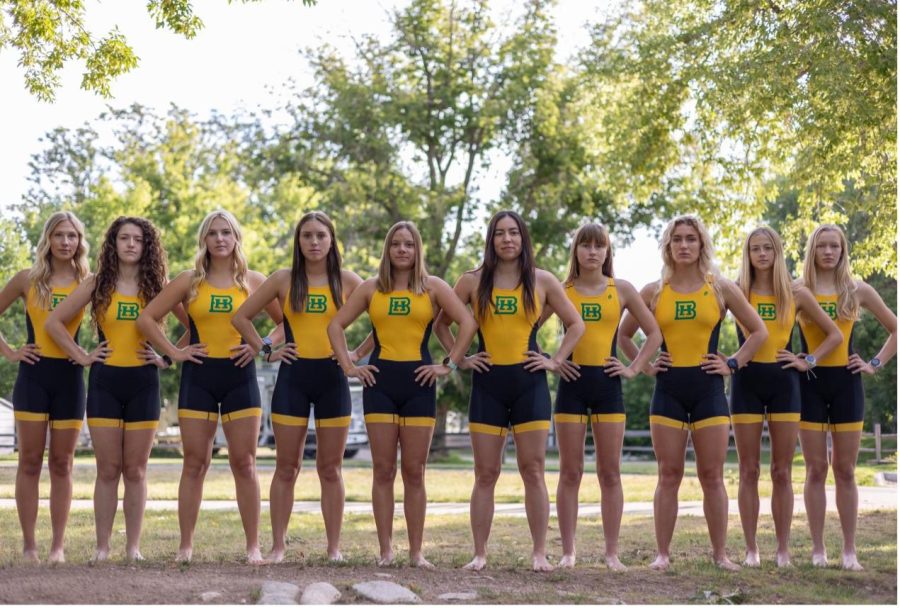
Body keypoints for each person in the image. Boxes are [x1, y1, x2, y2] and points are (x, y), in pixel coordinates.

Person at [433, 210, 585, 572]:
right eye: (500, 233)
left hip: (529, 383)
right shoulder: (471, 281)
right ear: (491, 240)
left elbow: (576, 324)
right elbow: (441, 324)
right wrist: (462, 359)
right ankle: (480, 554)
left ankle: (539, 553)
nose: (507, 239)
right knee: (485, 472)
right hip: (487, 385)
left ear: (523, 239)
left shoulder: (543, 280)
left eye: (513, 233)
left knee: (532, 469)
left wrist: (554, 360)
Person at [618, 214, 767, 571]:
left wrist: (732, 363)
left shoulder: (720, 287)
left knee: (712, 475)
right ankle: (662, 555)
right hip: (668, 389)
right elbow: (623, 335)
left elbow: (759, 332)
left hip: (709, 390)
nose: (684, 245)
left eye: (691, 239)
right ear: (668, 246)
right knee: (668, 474)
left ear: (701, 245)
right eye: (677, 239)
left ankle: (720, 555)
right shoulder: (654, 290)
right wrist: (647, 365)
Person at [328, 220, 477, 568]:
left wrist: (451, 364)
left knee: (414, 470)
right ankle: (385, 552)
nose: (402, 250)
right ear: (387, 248)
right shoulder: (370, 289)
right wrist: (350, 366)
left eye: (409, 244)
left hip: (420, 384)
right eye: (396, 244)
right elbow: (334, 326)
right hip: (379, 384)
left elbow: (468, 324)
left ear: (417, 249)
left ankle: (416, 552)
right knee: (383, 469)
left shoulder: (434, 287)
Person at [136, 209, 282, 564]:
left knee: (244, 463)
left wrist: (258, 345)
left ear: (236, 238)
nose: (220, 239)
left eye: (226, 232)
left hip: (239, 377)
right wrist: (174, 352)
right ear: (204, 239)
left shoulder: (254, 281)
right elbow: (146, 319)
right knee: (194, 463)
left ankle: (253, 547)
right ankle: (185, 546)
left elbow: (285, 323)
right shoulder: (189, 281)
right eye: (213, 233)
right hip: (198, 377)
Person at [232, 211, 364, 563]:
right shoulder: (283, 279)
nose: (315, 242)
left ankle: (334, 549)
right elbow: (241, 317)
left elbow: (382, 319)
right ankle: (277, 547)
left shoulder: (348, 281)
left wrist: (354, 356)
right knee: (286, 467)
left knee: (331, 468)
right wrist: (266, 348)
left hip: (332, 380)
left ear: (331, 240)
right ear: (298, 241)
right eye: (307, 235)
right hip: (293, 379)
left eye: (321, 235)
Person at [46, 216, 178, 562]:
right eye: (124, 238)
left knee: (135, 470)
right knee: (108, 469)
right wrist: (82, 355)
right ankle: (102, 547)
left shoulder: (159, 284)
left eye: (137, 239)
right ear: (113, 244)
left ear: (146, 245)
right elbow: (53, 322)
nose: (131, 244)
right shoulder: (96, 283)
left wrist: (168, 357)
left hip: (144, 384)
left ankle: (133, 548)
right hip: (105, 382)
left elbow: (196, 323)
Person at [540, 223, 662, 571]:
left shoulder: (621, 289)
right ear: (575, 251)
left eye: (600, 246)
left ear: (608, 252)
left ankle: (611, 553)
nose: (592, 252)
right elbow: (527, 327)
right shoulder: (560, 290)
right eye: (585, 245)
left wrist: (634, 368)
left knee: (610, 473)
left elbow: (652, 333)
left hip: (609, 386)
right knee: (570, 472)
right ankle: (568, 552)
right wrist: (553, 361)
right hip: (572, 386)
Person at [730, 226, 842, 567]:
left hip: (785, 386)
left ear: (778, 253)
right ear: (748, 255)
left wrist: (806, 359)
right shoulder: (735, 291)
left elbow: (835, 335)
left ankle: (783, 550)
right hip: (745, 384)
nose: (762, 254)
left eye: (768, 248)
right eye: (755, 249)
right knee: (748, 470)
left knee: (782, 471)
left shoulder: (796, 293)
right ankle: (751, 550)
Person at [797, 224, 896, 570]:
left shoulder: (858, 290)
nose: (828, 251)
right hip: (808, 384)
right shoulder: (798, 290)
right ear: (813, 250)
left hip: (847, 384)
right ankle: (818, 549)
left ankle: (850, 551)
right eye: (821, 246)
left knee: (845, 470)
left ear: (843, 250)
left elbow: (895, 328)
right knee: (815, 469)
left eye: (834, 246)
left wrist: (874, 364)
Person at [0, 211, 92, 563]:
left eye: (72, 236)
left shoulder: (89, 279)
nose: (66, 242)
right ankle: (30, 546)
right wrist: (10, 352)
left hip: (70, 378)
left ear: (79, 242)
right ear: (47, 240)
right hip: (33, 377)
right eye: (59, 236)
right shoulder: (27, 279)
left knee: (62, 463)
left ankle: (57, 547)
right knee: (29, 462)